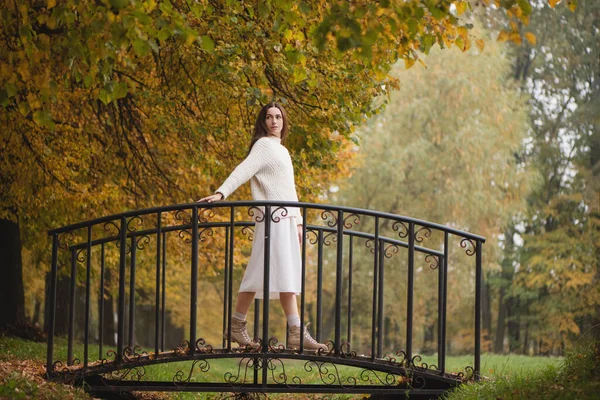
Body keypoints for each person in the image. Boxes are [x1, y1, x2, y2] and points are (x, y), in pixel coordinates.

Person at [199, 102, 327, 352]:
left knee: (281, 274)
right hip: (272, 220)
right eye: (269, 117)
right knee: (263, 271)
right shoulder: (263, 146)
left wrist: (299, 222)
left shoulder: (283, 151)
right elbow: (242, 171)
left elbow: (290, 190)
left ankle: (285, 331)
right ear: (263, 121)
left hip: (287, 220)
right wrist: (221, 193)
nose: (274, 121)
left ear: (284, 121)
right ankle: (281, 331)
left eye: (278, 117)